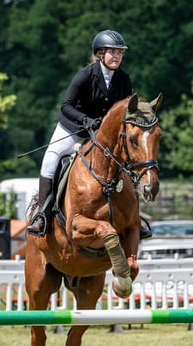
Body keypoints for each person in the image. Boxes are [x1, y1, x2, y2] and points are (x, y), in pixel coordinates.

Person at [27, 29, 133, 237]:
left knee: (129, 164)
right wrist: (85, 120)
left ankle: (133, 217)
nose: (117, 56)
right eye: (112, 52)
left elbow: (125, 109)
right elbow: (66, 106)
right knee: (50, 160)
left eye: (120, 53)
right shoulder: (86, 75)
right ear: (100, 54)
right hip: (74, 129)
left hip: (104, 138)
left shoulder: (124, 80)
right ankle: (43, 214)